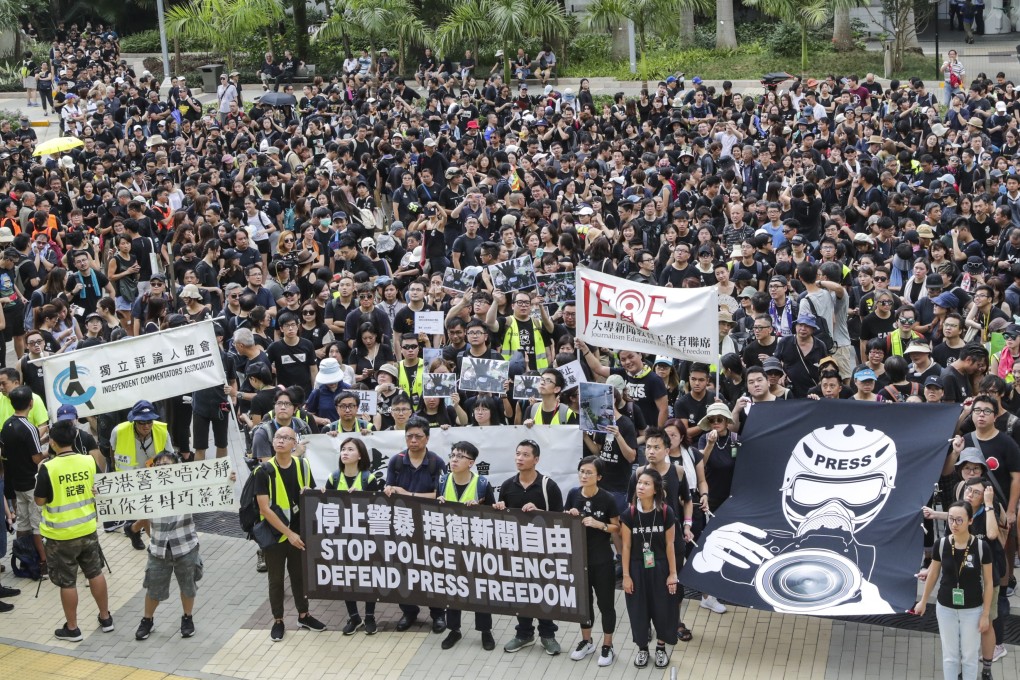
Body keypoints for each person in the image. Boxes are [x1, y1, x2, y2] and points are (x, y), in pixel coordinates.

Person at [34, 419, 113, 642]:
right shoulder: (88, 460)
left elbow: (39, 501)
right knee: (95, 573)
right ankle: (106, 618)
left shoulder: (48, 468)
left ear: (52, 442)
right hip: (87, 529)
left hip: (60, 536)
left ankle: (73, 628)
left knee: (67, 582)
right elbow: (99, 487)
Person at [255, 424, 325, 641]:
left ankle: (304, 615)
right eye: (278, 437)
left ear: (294, 444)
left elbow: (312, 494)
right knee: (276, 580)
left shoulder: (303, 465)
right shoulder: (263, 471)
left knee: (299, 577)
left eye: (286, 438)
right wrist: (290, 534)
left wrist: (312, 492)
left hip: (299, 532)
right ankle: (278, 620)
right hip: (275, 535)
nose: (280, 440)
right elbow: (264, 509)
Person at [496, 439, 564, 655]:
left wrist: (539, 512)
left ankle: (548, 635)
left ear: (536, 459)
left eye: (525, 455)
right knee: (521, 592)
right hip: (516, 550)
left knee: (544, 592)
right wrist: (499, 508)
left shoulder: (548, 486)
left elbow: (560, 519)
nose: (520, 458)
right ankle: (524, 634)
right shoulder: (507, 486)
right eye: (518, 454)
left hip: (543, 550)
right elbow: (502, 519)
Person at [915, 501, 993, 680]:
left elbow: (989, 583)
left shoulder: (981, 547)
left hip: (972, 609)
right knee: (950, 656)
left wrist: (985, 614)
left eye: (959, 520)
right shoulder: (941, 544)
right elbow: (933, 574)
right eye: (951, 519)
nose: (954, 524)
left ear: (970, 521)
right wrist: (923, 601)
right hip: (946, 607)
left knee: (969, 657)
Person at [383, 416, 447, 632]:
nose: (413, 440)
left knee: (432, 569)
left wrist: (407, 494)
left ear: (427, 438)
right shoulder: (397, 461)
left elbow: (440, 495)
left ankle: (438, 613)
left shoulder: (437, 462)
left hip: (429, 524)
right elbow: (390, 489)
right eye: (409, 436)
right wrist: (390, 490)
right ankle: (409, 611)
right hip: (402, 524)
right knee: (403, 568)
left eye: (418, 436)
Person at [132, 450, 203, 641]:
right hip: (158, 550)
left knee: (188, 586)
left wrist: (228, 479)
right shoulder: (147, 490)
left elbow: (212, 487)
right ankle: (147, 620)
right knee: (153, 588)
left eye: (167, 465)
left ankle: (187, 618)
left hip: (186, 546)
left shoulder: (187, 486)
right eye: (159, 465)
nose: (162, 468)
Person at [435, 441, 496, 650]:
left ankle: (485, 631)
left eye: (460, 456)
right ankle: (454, 629)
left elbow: (494, 516)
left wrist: (480, 508)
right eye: (452, 455)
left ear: (471, 462)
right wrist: (438, 504)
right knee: (453, 587)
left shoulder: (482, 484)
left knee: (480, 589)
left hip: (477, 546)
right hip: (450, 545)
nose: (454, 459)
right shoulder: (443, 481)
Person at [621, 467, 683, 669]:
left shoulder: (665, 512)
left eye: (646, 484)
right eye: (639, 483)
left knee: (663, 609)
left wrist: (672, 574)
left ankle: (661, 648)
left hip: (660, 566)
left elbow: (670, 545)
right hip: (637, 567)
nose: (640, 486)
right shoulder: (629, 514)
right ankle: (642, 649)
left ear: (656, 489)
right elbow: (626, 547)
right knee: (638, 610)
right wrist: (626, 575)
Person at [565, 456, 620, 666]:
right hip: (579, 559)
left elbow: (617, 527)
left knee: (605, 604)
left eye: (589, 472)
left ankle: (608, 645)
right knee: (584, 604)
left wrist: (600, 524)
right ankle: (587, 641)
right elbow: (564, 521)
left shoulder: (607, 499)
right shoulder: (573, 494)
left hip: (602, 560)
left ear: (599, 477)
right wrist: (569, 515)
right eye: (581, 471)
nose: (584, 476)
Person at [326, 437, 383, 636]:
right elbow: (326, 506)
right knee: (346, 576)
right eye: (343, 449)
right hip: (342, 537)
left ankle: (370, 616)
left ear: (360, 455)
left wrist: (362, 497)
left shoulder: (369, 479)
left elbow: (378, 508)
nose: (345, 452)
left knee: (368, 576)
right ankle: (354, 617)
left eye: (350, 449)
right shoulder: (334, 478)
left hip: (366, 537)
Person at [111, 400, 175, 550]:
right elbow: (111, 452)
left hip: (154, 477)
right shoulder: (119, 431)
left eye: (149, 422)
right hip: (130, 479)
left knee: (153, 510)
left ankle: (133, 529)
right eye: (142, 422)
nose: (146, 426)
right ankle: (156, 543)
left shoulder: (162, 431)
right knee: (147, 510)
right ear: (134, 420)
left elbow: (171, 456)